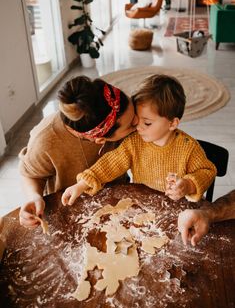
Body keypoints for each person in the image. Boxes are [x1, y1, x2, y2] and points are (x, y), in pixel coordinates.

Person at [61, 74, 217, 206]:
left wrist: (189, 185)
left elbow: (207, 172)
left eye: (147, 123)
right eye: (137, 119)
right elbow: (111, 163)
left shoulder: (188, 148)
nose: (137, 126)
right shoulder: (134, 142)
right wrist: (82, 184)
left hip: (180, 212)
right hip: (144, 207)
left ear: (172, 123)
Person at [19, 76, 137, 229]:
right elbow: (30, 174)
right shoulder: (45, 140)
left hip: (117, 200)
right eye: (130, 125)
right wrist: (34, 196)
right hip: (70, 209)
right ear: (101, 140)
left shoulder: (113, 113)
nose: (137, 123)